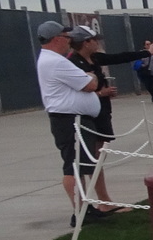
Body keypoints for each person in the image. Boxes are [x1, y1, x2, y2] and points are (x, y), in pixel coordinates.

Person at [35, 20, 113, 222]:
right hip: (69, 119)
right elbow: (90, 84)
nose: (69, 41)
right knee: (74, 166)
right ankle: (79, 211)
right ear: (57, 39)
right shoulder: (56, 61)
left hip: (75, 118)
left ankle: (85, 206)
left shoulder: (53, 60)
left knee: (80, 164)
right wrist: (89, 76)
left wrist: (87, 77)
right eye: (67, 37)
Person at [68, 27, 140, 212]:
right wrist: (102, 93)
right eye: (94, 39)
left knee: (99, 155)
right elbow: (77, 91)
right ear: (85, 42)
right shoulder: (73, 63)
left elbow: (118, 57)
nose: (98, 43)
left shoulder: (95, 58)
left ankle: (104, 199)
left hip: (101, 112)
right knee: (92, 157)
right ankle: (101, 201)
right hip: (88, 116)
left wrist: (147, 52)